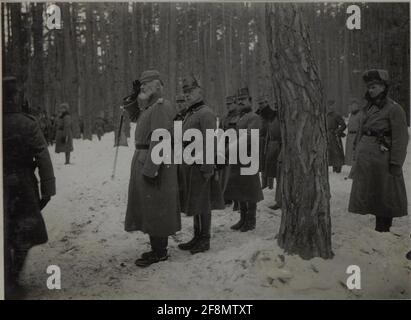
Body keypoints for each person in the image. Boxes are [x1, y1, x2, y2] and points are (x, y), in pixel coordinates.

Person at [3, 76, 56, 299]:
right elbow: (43, 157)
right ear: (16, 96)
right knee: (23, 231)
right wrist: (47, 190)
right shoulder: (27, 123)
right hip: (22, 186)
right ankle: (12, 277)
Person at [124, 70, 181, 267]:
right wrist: (132, 98)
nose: (143, 88)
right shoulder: (148, 108)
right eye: (141, 86)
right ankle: (156, 247)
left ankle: (161, 251)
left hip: (154, 162)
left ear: (158, 86)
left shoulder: (160, 106)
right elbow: (133, 116)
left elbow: (161, 140)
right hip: (144, 158)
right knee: (149, 208)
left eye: (147, 85)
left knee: (157, 207)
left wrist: (150, 169)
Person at [348, 69, 408, 232]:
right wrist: (357, 150)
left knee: (385, 193)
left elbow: (401, 138)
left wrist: (396, 162)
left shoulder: (394, 109)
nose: (370, 89)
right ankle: (378, 224)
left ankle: (384, 226)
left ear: (383, 87)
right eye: (369, 87)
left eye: (374, 86)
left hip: (383, 159)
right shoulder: (368, 108)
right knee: (372, 192)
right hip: (368, 158)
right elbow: (361, 129)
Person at [178, 75, 224, 254]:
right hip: (190, 165)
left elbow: (210, 142)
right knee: (196, 202)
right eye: (185, 92)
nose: (188, 95)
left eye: (191, 91)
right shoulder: (191, 113)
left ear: (200, 91)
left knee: (203, 203)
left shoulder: (206, 113)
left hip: (200, 165)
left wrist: (207, 167)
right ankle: (197, 236)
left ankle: (205, 239)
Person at [224, 87, 264, 232]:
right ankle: (242, 218)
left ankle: (251, 220)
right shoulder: (239, 117)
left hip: (248, 156)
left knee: (250, 190)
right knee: (240, 188)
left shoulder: (254, 117)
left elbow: (248, 136)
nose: (240, 102)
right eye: (239, 100)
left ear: (250, 101)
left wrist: (229, 148)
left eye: (243, 100)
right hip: (238, 157)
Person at [256, 96, 281, 210]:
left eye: (279, 105)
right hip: (271, 146)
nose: (277, 108)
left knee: (281, 175)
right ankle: (278, 198)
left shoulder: (284, 118)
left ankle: (280, 200)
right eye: (276, 105)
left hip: (281, 148)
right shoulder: (273, 117)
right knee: (271, 169)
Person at [220, 95, 240, 210]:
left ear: (235, 104)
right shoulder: (224, 117)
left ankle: (237, 201)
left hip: (236, 148)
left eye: (230, 104)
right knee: (225, 175)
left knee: (235, 176)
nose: (228, 106)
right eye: (227, 104)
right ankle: (226, 198)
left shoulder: (239, 117)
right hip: (225, 148)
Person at [326, 100, 347, 173]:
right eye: (329, 106)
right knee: (330, 152)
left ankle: (338, 168)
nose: (330, 107)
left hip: (335, 136)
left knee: (337, 152)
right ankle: (333, 167)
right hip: (328, 136)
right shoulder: (325, 115)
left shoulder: (337, 115)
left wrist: (337, 131)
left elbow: (343, 125)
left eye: (332, 105)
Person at [345, 98, 362, 167]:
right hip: (350, 135)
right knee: (350, 153)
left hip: (356, 135)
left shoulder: (360, 114)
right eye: (351, 105)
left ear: (357, 106)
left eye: (353, 105)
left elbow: (361, 126)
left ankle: (356, 167)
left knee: (355, 152)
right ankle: (352, 167)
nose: (352, 107)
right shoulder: (351, 115)